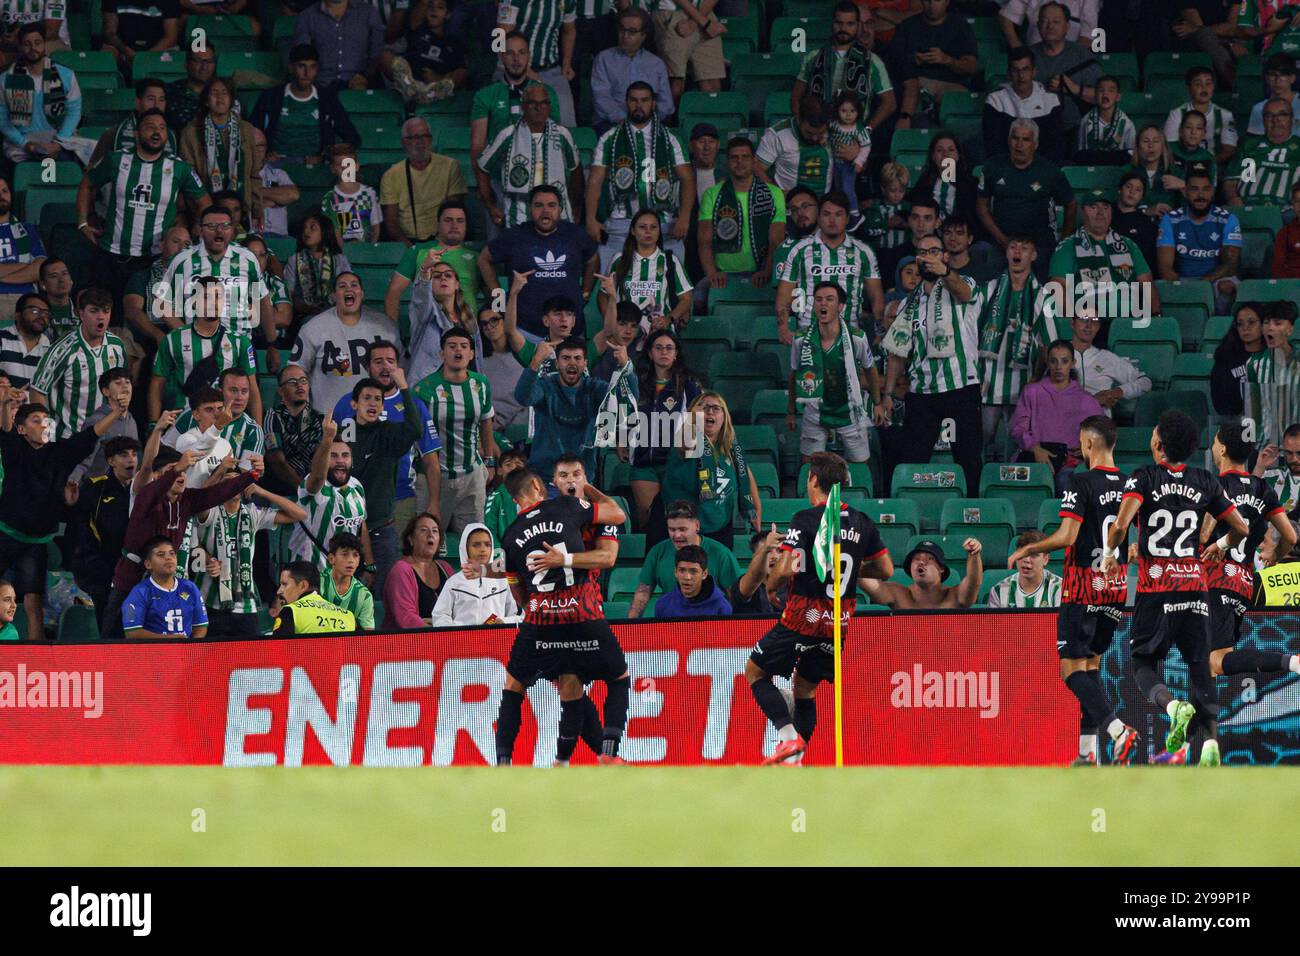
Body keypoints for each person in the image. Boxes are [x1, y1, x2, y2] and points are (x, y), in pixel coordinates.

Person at [1101, 409, 1249, 767]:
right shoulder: (1205, 480)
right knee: (1200, 665)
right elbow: (1241, 528)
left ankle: (1173, 706)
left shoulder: (1144, 477)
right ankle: (1211, 742)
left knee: (1143, 662)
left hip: (1157, 588)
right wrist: (1220, 546)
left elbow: (1121, 523)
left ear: (1158, 444)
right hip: (1196, 585)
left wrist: (1110, 552)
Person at [1005, 413, 1136, 765]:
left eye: (1081, 441)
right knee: (1091, 667)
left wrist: (1029, 548)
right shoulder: (1128, 483)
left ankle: (1117, 731)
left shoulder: (1080, 482)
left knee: (1070, 670)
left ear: (1090, 443)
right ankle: (1087, 755)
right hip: (1116, 586)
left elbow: (1067, 537)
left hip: (1082, 586)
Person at [745, 451, 891, 765]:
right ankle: (794, 763)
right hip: (837, 621)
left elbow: (784, 570)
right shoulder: (863, 522)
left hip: (802, 616)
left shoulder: (806, 519)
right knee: (804, 690)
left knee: (755, 670)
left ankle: (787, 739)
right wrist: (850, 573)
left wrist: (771, 588)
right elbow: (886, 570)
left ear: (813, 480)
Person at [1183, 421, 1300, 763]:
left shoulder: (1213, 485)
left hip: (1213, 582)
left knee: (1212, 661)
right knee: (1209, 663)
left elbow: (1204, 536)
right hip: (1242, 584)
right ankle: (1205, 747)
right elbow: (1290, 539)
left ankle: (1289, 661)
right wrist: (1271, 557)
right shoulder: (1263, 489)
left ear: (1220, 449)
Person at [496, 468, 629, 764]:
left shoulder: (509, 535)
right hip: (583, 612)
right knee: (617, 678)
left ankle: (504, 762)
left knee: (516, 686)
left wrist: (540, 603)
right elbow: (617, 516)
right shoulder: (567, 506)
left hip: (542, 621)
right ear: (537, 484)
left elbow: (517, 593)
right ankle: (607, 754)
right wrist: (589, 488)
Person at [0, 392, 131, 639]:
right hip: (4, 533)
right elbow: (6, 430)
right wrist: (6, 404)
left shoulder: (59, 452)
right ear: (22, 430)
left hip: (35, 543)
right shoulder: (15, 450)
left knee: (33, 601)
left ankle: (35, 657)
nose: (43, 424)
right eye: (36, 420)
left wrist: (115, 412)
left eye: (46, 419)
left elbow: (91, 435)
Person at [876, 233, 983, 494]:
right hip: (922, 395)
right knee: (912, 460)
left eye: (934, 251)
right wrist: (888, 394)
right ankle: (911, 512)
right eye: (922, 253)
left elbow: (963, 291)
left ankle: (970, 515)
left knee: (967, 459)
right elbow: (897, 352)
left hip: (960, 390)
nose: (927, 257)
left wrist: (945, 271)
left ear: (945, 257)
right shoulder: (908, 303)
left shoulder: (963, 283)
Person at [78, 110, 210, 298]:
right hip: (113, 254)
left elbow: (204, 202)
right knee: (108, 314)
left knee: (148, 314)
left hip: (155, 258)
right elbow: (87, 183)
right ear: (136, 134)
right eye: (150, 127)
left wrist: (198, 227)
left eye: (162, 128)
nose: (157, 132)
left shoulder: (180, 168)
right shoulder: (116, 159)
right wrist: (83, 222)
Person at [330, 340, 441, 531]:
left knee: (393, 558)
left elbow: (431, 459)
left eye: (390, 361)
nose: (385, 366)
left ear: (398, 366)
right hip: (349, 498)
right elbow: (333, 453)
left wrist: (434, 503)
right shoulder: (346, 403)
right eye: (378, 361)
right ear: (368, 367)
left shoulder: (414, 406)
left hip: (400, 499)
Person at [587, 82, 693, 273]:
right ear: (626, 103)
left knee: (671, 283)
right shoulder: (610, 138)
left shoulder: (669, 138)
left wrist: (684, 217)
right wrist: (590, 219)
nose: (639, 105)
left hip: (663, 223)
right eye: (634, 100)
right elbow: (594, 180)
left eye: (644, 100)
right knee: (612, 283)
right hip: (622, 223)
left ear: (653, 104)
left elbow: (687, 178)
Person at [189, 469, 307, 639]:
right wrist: (209, 559)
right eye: (227, 481)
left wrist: (261, 491)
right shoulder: (210, 511)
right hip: (209, 602)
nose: (233, 485)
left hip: (245, 605)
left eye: (238, 481)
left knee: (248, 658)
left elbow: (300, 514)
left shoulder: (252, 513)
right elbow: (197, 506)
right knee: (211, 661)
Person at [337, 371, 422, 593]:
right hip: (347, 527)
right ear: (354, 404)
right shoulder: (344, 433)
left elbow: (415, 429)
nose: (372, 403)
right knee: (345, 593)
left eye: (377, 399)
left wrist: (403, 387)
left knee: (385, 594)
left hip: (381, 529)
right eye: (366, 398)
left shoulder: (389, 433)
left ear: (383, 407)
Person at [481, 185, 598, 340]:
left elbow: (593, 259)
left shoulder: (575, 234)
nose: (545, 211)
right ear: (530, 209)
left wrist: (586, 293)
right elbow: (484, 259)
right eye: (538, 205)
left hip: (571, 332)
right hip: (526, 331)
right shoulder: (515, 235)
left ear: (561, 209)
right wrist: (499, 301)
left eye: (551, 205)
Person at [158, 206, 273, 359]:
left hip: (240, 349)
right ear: (200, 230)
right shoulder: (182, 260)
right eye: (211, 226)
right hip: (196, 352)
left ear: (232, 231)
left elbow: (262, 300)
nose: (219, 231)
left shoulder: (247, 259)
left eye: (225, 226)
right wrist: (187, 334)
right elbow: (161, 303)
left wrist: (272, 344)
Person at [413, 327, 498, 534]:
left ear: (472, 353)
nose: (458, 351)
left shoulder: (481, 383)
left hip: (472, 474)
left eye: (464, 346)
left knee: (474, 539)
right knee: (430, 540)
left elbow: (487, 422)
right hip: (435, 476)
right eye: (452, 346)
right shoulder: (424, 388)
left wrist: (490, 461)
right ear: (442, 353)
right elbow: (419, 437)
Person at [515, 336, 634, 483]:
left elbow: (628, 401)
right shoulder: (545, 385)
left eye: (577, 358)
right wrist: (536, 361)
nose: (572, 363)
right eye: (566, 358)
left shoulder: (595, 388)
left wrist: (626, 367)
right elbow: (523, 397)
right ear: (557, 364)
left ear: (585, 364)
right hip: (545, 479)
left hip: (582, 480)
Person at [788, 281, 879, 466]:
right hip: (815, 411)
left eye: (829, 299)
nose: (823, 303)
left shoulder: (857, 337)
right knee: (810, 469)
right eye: (819, 300)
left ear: (840, 306)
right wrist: (790, 411)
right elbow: (794, 375)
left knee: (860, 468)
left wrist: (877, 403)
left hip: (849, 411)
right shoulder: (800, 339)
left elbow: (870, 370)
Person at [777, 191, 883, 344]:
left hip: (850, 335)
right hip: (808, 334)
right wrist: (783, 328)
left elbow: (876, 297)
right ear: (819, 217)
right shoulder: (799, 250)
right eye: (826, 214)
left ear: (847, 219)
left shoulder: (863, 252)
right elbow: (785, 292)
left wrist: (880, 331)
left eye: (838, 214)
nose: (832, 220)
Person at [149, 276, 258, 423]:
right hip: (183, 422)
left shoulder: (241, 342)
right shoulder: (173, 339)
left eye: (218, 297)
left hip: (225, 425)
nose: (213, 302)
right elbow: (157, 384)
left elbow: (253, 390)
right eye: (206, 297)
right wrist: (153, 424)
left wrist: (259, 430)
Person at [977, 118, 1076, 279]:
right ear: (1009, 141)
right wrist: (1002, 239)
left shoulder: (1049, 171)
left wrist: (1064, 242)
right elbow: (982, 205)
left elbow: (1071, 204)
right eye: (1015, 138)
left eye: (1026, 139)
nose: (1019, 144)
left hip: (1040, 244)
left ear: (1035, 144)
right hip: (1002, 240)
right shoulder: (992, 167)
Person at [476, 82, 582, 230]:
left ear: (549, 106)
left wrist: (576, 204)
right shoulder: (508, 134)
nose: (539, 108)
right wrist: (491, 205)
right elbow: (482, 166)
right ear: (523, 106)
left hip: (558, 214)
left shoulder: (562, 134)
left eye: (544, 103)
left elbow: (576, 169)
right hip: (519, 215)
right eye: (533, 103)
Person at [661, 390, 758, 550]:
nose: (710, 411)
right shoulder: (689, 438)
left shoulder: (731, 448)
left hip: (720, 522)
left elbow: (745, 477)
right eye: (704, 408)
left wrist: (755, 510)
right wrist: (694, 415)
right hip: (684, 525)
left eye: (716, 408)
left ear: (724, 416)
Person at [625, 327, 701, 530]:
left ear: (676, 353)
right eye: (658, 348)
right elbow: (622, 412)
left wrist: (690, 456)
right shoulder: (636, 382)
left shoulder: (688, 385)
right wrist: (621, 439)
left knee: (673, 515)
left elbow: (697, 420)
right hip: (643, 462)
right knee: (648, 516)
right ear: (650, 353)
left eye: (669, 348)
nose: (664, 352)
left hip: (674, 462)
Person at [290, 271, 396, 415]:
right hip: (328, 420)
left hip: (376, 421)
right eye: (342, 286)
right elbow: (295, 371)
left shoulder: (385, 326)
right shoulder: (313, 328)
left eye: (354, 285)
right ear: (333, 296)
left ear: (362, 293)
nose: (349, 289)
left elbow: (400, 371)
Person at [27, 288, 126, 442]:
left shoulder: (117, 346)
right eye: (94, 311)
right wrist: (47, 436)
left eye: (106, 311)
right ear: (81, 314)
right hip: (69, 438)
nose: (101, 317)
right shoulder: (62, 349)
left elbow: (121, 388)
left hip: (106, 438)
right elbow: (37, 390)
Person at [1047, 188, 1159, 319]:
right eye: (1093, 207)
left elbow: (1147, 284)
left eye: (1105, 207)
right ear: (1082, 212)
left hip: (1126, 322)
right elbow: (1058, 288)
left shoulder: (1128, 245)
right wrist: (1075, 323)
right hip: (1088, 323)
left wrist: (1156, 316)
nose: (1100, 212)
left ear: (1111, 212)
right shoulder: (1067, 247)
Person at [697, 137, 786, 300]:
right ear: (726, 162)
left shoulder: (774, 194)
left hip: (761, 273)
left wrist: (767, 271)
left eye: (745, 157)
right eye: (734, 157)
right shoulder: (712, 194)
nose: (740, 162)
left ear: (753, 161)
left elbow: (776, 241)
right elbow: (704, 241)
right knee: (699, 295)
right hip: (724, 274)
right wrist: (713, 274)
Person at [1010, 339, 1104, 489]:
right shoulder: (1032, 392)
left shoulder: (1086, 399)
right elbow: (1017, 429)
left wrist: (1089, 447)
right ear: (1048, 363)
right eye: (1053, 361)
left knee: (1065, 482)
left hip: (1070, 463)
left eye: (1064, 361)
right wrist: (1035, 448)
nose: (1059, 367)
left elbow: (1102, 433)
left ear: (1072, 363)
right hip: (1034, 457)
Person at [69, 434, 141, 627]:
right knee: (109, 624)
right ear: (111, 461)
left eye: (134, 454)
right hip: (102, 569)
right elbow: (83, 530)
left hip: (136, 567)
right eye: (124, 455)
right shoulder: (95, 488)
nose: (131, 459)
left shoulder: (143, 488)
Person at [249, 44, 359, 167]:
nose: (307, 73)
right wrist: (265, 153)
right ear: (291, 68)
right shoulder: (271, 97)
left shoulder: (327, 99)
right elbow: (251, 133)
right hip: (276, 164)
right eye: (301, 66)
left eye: (312, 67)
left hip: (315, 167)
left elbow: (352, 138)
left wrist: (324, 156)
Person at [468, 30, 561, 174]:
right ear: (501, 57)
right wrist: (485, 190)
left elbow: (554, 140)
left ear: (529, 56)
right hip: (498, 172)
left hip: (538, 171)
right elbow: (477, 147)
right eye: (510, 53)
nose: (516, 59)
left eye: (522, 52)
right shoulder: (485, 95)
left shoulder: (546, 92)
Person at [291, 410, 371, 575]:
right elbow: (319, 475)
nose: (340, 460)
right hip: (310, 576)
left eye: (345, 455)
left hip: (343, 578)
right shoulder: (312, 484)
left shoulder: (357, 486)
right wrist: (327, 439)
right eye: (333, 456)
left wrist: (369, 563)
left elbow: (361, 525)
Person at [629, 498, 741, 617]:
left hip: (711, 622)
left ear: (697, 525)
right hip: (672, 621)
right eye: (672, 529)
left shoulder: (721, 553)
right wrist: (631, 623)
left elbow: (734, 595)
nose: (677, 535)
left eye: (682, 529)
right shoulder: (657, 552)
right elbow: (643, 591)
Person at [792, 1, 895, 129]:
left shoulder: (873, 61)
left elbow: (890, 103)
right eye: (839, 23)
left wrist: (866, 132)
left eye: (850, 24)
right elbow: (796, 96)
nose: (843, 29)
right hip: (817, 133)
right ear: (832, 23)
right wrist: (802, 124)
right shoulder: (813, 57)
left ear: (857, 26)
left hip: (853, 137)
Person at [1155, 169, 1241, 316]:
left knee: (1227, 286)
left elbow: (1230, 266)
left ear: (1212, 192)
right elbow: (1165, 267)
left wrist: (1202, 284)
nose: (1201, 196)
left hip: (1214, 279)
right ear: (1184, 191)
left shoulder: (1228, 219)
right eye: (1194, 190)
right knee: (1158, 288)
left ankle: (1220, 331)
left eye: (1206, 189)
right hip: (1181, 278)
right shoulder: (1171, 219)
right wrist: (1183, 288)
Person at [178, 76, 259, 224]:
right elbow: (188, 179)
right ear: (206, 100)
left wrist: (257, 210)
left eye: (225, 93)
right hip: (206, 212)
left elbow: (253, 174)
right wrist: (196, 217)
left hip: (242, 210)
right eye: (214, 93)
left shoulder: (246, 129)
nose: (220, 98)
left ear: (232, 100)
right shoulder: (190, 132)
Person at [386, 200, 481, 322]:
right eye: (448, 220)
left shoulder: (478, 256)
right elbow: (393, 293)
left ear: (466, 225)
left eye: (460, 221)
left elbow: (495, 291)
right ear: (437, 223)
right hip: (428, 328)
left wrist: (499, 318)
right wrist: (393, 333)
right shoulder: (418, 251)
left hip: (467, 333)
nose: (454, 225)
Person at [0, 25, 81, 164]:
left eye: (37, 42)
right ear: (20, 47)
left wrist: (58, 143)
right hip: (22, 144)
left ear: (44, 44)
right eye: (27, 44)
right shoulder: (5, 79)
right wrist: (25, 143)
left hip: (57, 140)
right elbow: (2, 119)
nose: (33, 48)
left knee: (61, 172)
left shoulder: (66, 75)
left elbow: (74, 111)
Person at [380, 117, 467, 244]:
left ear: (431, 139)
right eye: (414, 137)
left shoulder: (450, 166)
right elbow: (391, 222)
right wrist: (409, 248)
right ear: (404, 142)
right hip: (408, 241)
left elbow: (453, 209)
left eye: (425, 136)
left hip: (442, 238)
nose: (420, 142)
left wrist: (440, 243)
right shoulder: (391, 175)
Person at [604, 208, 693, 330]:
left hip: (660, 334)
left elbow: (686, 299)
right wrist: (612, 323)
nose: (648, 231)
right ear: (633, 231)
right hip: (625, 335)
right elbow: (603, 296)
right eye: (642, 227)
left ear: (659, 231)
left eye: (653, 227)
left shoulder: (670, 260)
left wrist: (668, 319)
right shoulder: (619, 259)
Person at [893, 0, 978, 127]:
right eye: (928, 0)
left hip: (951, 84)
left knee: (955, 100)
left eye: (937, 0)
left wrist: (947, 60)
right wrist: (913, 59)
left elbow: (971, 67)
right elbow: (893, 62)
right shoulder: (907, 26)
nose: (932, 5)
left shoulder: (960, 26)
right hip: (916, 84)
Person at [495, 0, 577, 128]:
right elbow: (500, 35)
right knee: (509, 125)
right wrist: (526, 70)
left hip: (551, 70)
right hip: (512, 69)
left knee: (566, 124)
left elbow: (569, 30)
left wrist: (567, 63)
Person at [591, 6, 673, 131]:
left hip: (649, 125)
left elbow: (666, 103)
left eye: (632, 32)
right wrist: (625, 121)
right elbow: (601, 97)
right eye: (622, 30)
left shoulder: (656, 64)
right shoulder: (604, 59)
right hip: (612, 124)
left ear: (643, 35)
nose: (625, 36)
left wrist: (647, 121)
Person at [406, 255, 484, 384]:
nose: (443, 278)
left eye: (448, 275)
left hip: (463, 388)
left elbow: (477, 359)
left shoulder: (468, 316)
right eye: (436, 276)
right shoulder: (423, 312)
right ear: (430, 284)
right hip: (427, 388)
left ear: (457, 284)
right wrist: (425, 270)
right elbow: (421, 297)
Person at [983, 47, 1065, 164]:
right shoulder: (995, 101)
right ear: (1009, 73)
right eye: (1016, 70)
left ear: (1034, 71)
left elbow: (1056, 147)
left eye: (1025, 69)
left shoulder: (1050, 101)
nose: (1021, 76)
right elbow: (993, 146)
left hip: (1043, 169)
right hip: (1007, 168)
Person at [1029, 1, 1099, 137]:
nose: (1050, 26)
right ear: (1038, 26)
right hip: (1032, 129)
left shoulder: (1082, 55)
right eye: (1044, 21)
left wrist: (1072, 88)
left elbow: (1104, 95)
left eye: (1056, 22)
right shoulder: (1028, 56)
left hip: (1074, 130)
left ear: (1067, 27)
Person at [430, 522, 521, 626]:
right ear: (465, 548)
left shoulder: (503, 580)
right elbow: (440, 615)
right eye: (476, 545)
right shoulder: (454, 583)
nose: (483, 549)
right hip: (463, 641)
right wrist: (455, 635)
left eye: (487, 545)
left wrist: (504, 622)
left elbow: (518, 616)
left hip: (496, 640)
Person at [121, 536, 208, 639]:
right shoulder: (139, 592)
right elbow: (132, 633)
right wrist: (169, 640)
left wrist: (190, 648)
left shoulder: (190, 587)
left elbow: (200, 626)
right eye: (161, 555)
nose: (168, 558)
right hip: (153, 654)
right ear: (148, 564)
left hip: (185, 653)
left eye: (172, 553)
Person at [1068, 307, 1151, 414]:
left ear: (1098, 327)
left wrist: (1118, 391)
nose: (1089, 325)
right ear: (1072, 323)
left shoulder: (1107, 358)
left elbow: (1145, 382)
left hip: (1099, 425)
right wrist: (1094, 400)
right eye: (1084, 319)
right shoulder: (1059, 354)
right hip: (1067, 422)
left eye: (1094, 321)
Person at [382, 511, 454, 629]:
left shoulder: (446, 568)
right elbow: (406, 618)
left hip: (444, 636)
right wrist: (438, 627)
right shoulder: (401, 570)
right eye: (423, 530)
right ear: (411, 539)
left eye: (435, 531)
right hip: (409, 641)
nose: (430, 535)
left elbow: (459, 606)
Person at [1224, 97, 1300, 209]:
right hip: (1247, 208)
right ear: (1263, 120)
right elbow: (1231, 180)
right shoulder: (1250, 146)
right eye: (1269, 115)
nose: (1275, 120)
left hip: (1287, 211)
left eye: (1282, 115)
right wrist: (1232, 198)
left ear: (1292, 119)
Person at [292, 0, 383, 91]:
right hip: (320, 87)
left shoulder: (369, 13)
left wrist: (364, 77)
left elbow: (376, 56)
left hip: (361, 87)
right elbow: (302, 56)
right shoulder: (306, 16)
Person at [1244, 303, 1300, 448]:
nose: (1270, 327)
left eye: (1278, 323)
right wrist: (1248, 447)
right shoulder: (1254, 364)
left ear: (1290, 329)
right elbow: (1251, 412)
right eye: (1266, 322)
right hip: (1266, 448)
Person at [394, 0, 469, 104]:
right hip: (411, 81)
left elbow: (461, 72)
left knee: (461, 73)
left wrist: (436, 78)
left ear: (448, 14)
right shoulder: (417, 29)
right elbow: (423, 3)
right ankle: (411, 88)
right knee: (386, 56)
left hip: (435, 83)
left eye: (440, 7)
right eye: (431, 6)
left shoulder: (453, 41)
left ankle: (431, 93)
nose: (434, 10)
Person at [756, 95, 833, 195]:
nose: (815, 138)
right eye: (809, 133)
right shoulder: (777, 135)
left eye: (820, 133)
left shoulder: (835, 131)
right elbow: (756, 169)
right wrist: (778, 194)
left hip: (825, 205)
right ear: (798, 119)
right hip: (790, 206)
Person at [1162, 66, 1237, 167]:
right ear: (1189, 88)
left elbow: (1229, 150)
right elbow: (1169, 148)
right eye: (1198, 84)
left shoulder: (1224, 115)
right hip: (1183, 165)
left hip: (1213, 165)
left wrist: (1205, 164)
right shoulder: (1177, 114)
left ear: (1214, 86)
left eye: (1208, 83)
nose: (1204, 88)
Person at [284, 212, 352, 321]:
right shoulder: (294, 260)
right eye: (304, 228)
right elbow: (289, 293)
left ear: (325, 231)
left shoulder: (339, 259)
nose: (306, 231)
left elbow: (347, 288)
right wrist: (304, 307)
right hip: (304, 314)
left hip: (335, 312)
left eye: (313, 227)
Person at [905, 132, 978, 229]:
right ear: (933, 156)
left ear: (958, 156)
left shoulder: (971, 184)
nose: (945, 154)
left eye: (951, 150)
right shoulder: (924, 182)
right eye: (939, 150)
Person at [320, 142, 383, 243]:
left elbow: (375, 227)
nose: (345, 168)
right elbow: (333, 231)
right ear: (333, 168)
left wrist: (369, 247)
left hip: (366, 250)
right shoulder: (329, 198)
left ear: (357, 166)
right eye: (340, 165)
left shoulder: (369, 193)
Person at [1210, 301, 1264, 418]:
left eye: (1251, 322)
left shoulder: (1273, 356)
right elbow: (1220, 400)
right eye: (1240, 324)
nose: (1245, 328)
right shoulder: (1226, 358)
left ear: (1263, 324)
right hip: (1235, 423)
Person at [0, 176, 43, 321]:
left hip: (25, 299)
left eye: (5, 191)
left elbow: (39, 270)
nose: (1, 196)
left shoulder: (26, 229)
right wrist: (24, 266)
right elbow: (31, 267)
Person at [272, 561, 356, 635]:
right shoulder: (348, 616)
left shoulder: (290, 612)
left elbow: (277, 651)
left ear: (303, 586)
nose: (279, 591)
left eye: (284, 584)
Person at [651, 543, 731, 617]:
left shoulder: (721, 606)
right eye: (682, 570)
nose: (687, 577)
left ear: (704, 574)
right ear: (675, 572)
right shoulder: (663, 605)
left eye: (693, 571)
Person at [988, 530, 1062, 607]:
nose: (1026, 560)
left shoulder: (1059, 589)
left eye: (1033, 555)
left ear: (1045, 559)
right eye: (1022, 554)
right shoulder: (999, 591)